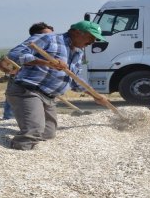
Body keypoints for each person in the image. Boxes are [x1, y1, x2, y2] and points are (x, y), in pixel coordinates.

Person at [6, 20, 107, 150]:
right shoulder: (49, 39)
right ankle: (20, 152)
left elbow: (75, 79)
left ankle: (30, 127)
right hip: (28, 90)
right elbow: (15, 54)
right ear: (77, 32)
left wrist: (96, 96)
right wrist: (45, 62)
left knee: (48, 133)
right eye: (90, 37)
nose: (92, 42)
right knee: (33, 131)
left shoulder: (78, 53)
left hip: (49, 97)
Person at [0, 22, 54, 120]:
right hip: (23, 81)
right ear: (37, 35)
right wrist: (10, 71)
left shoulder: (47, 46)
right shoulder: (33, 42)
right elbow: (4, 62)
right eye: (47, 34)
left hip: (38, 81)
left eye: (52, 34)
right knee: (16, 108)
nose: (51, 37)